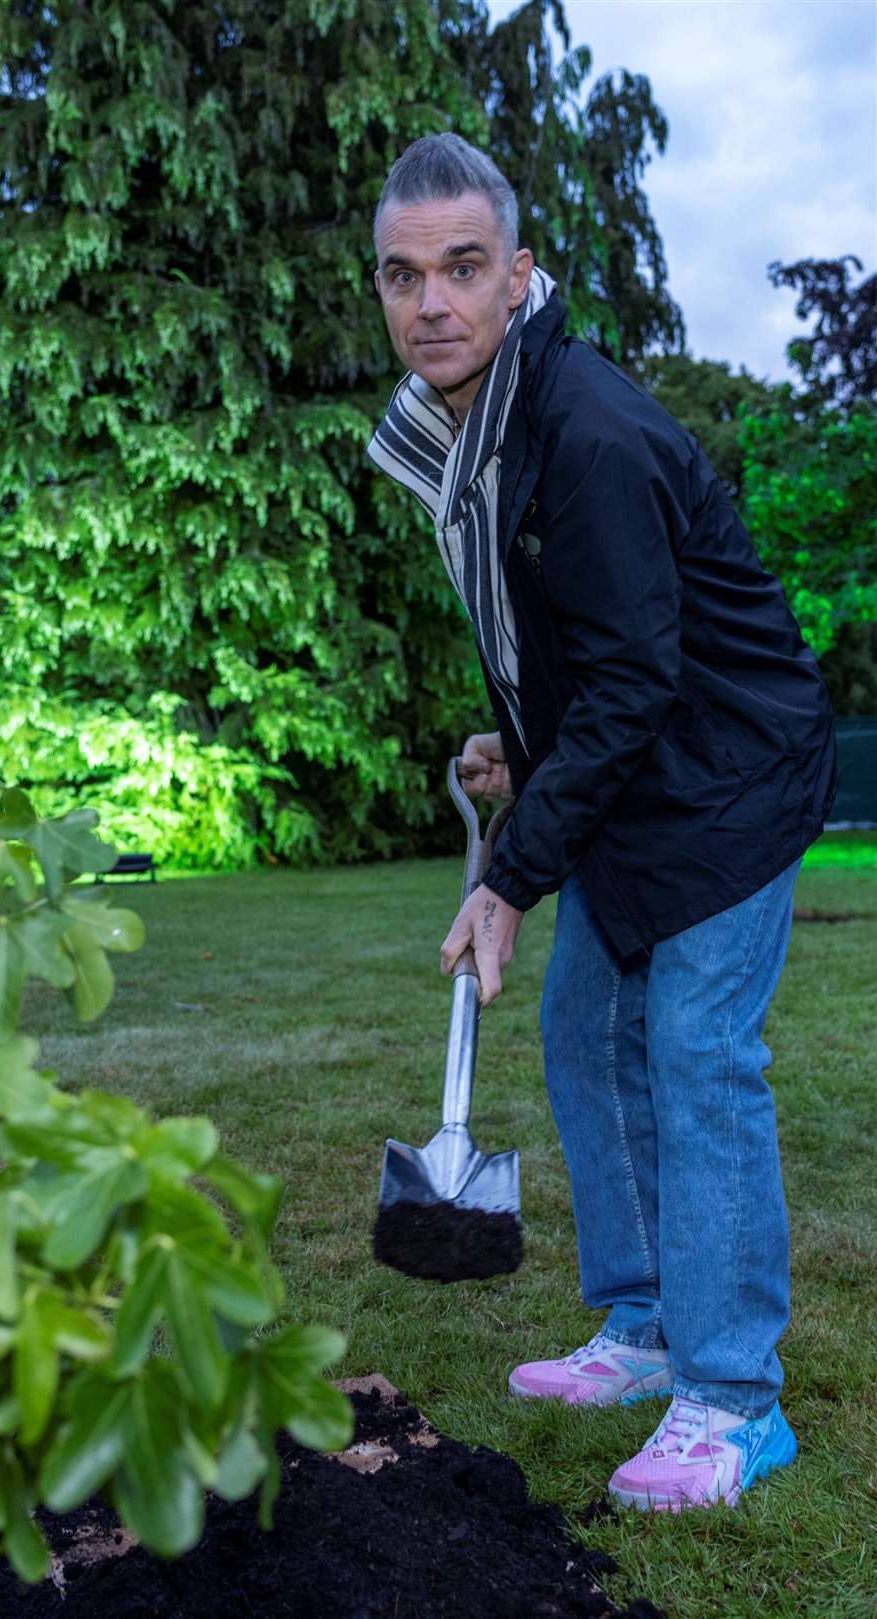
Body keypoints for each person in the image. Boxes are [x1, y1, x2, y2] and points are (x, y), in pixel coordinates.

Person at [366, 132, 837, 1513]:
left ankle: (734, 1398)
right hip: (640, 774)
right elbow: (576, 650)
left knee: (695, 1056)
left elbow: (635, 678)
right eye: (403, 276)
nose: (431, 302)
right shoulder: (479, 433)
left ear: (519, 276)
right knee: (584, 1034)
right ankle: (640, 1330)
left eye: (462, 268)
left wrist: (509, 880)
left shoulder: (583, 429)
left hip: (727, 779)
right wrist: (519, 752)